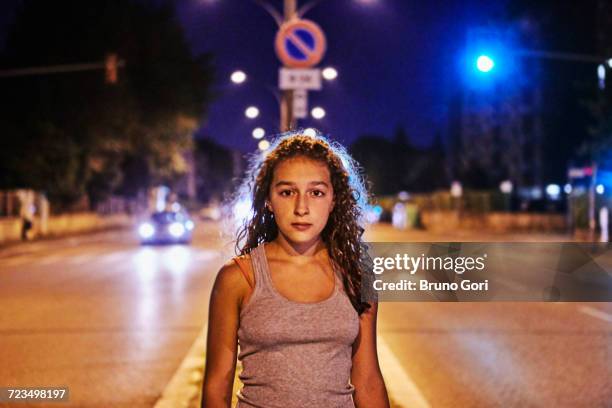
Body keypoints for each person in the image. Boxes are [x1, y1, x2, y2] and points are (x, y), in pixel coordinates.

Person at [201, 131, 390, 408]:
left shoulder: (357, 275)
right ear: (268, 199)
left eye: (316, 193)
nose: (302, 208)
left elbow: (368, 379)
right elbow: (217, 384)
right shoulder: (238, 278)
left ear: (334, 200)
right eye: (287, 192)